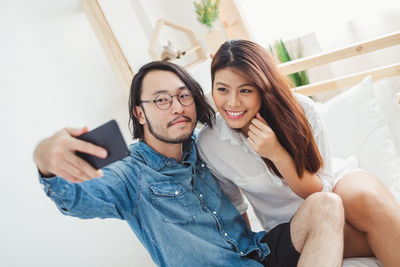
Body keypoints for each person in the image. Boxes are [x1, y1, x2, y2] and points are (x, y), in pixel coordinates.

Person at [34, 61, 345, 267]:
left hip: (257, 252)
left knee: (327, 204)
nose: (177, 108)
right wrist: (45, 159)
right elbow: (76, 200)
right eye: (161, 100)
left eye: (184, 97)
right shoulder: (130, 174)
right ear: (139, 114)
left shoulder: (206, 145)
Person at [196, 39, 400, 267]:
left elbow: (321, 189)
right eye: (222, 89)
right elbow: (236, 209)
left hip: (332, 185)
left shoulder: (301, 109)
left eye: (245, 90)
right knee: (381, 233)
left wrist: (277, 153)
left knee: (370, 201)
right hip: (295, 224)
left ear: (263, 88)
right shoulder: (210, 142)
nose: (232, 102)